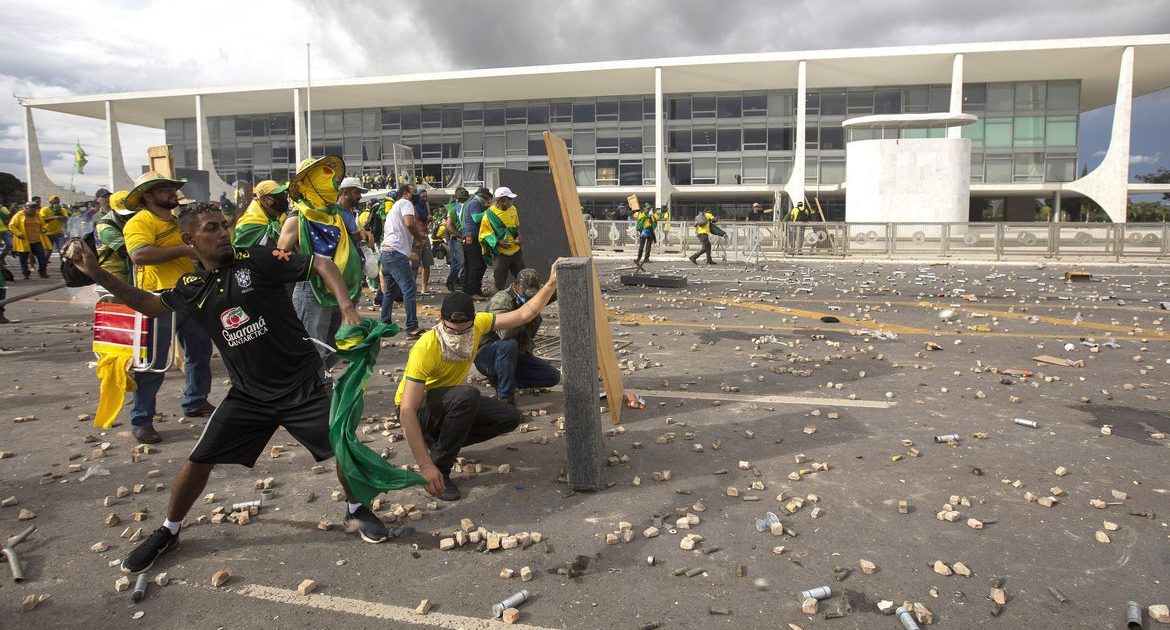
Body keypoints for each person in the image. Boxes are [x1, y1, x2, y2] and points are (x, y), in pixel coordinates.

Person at [67, 203, 396, 574]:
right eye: (212, 228)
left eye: (224, 225)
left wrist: (348, 308)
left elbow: (321, 263)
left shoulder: (257, 259)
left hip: (302, 384)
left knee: (343, 446)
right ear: (190, 239)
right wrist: (95, 271)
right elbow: (148, 304)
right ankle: (169, 530)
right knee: (198, 460)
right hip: (249, 395)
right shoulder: (192, 287)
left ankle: (355, 509)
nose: (223, 232)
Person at [396, 268, 559, 501]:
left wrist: (551, 283)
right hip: (419, 408)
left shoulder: (480, 324)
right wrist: (425, 467)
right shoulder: (426, 347)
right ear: (441, 321)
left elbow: (524, 315)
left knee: (509, 416)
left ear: (474, 322)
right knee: (467, 396)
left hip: (449, 403)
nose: (460, 336)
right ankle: (439, 470)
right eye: (453, 330)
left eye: (466, 330)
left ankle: (439, 443)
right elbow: (406, 410)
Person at [123, 172, 215, 443]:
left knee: (200, 349)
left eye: (173, 188)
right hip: (156, 299)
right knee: (153, 361)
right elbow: (139, 254)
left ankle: (196, 400)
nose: (173, 193)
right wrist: (183, 252)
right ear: (149, 196)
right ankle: (142, 418)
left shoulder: (175, 221)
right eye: (166, 189)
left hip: (188, 293)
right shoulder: (140, 222)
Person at [278, 157, 365, 368]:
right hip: (312, 290)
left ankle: (320, 382)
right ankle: (312, 391)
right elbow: (279, 257)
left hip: (337, 289)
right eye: (326, 178)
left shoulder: (333, 215)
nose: (333, 183)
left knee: (336, 345)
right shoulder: (298, 217)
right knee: (312, 348)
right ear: (312, 183)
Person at [475, 269, 561, 406]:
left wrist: (557, 277)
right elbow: (504, 333)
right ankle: (505, 399)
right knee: (508, 345)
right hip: (489, 354)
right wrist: (526, 315)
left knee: (552, 377)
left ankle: (504, 377)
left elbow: (553, 291)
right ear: (517, 286)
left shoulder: (533, 296)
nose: (531, 299)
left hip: (515, 355)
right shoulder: (502, 300)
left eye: (534, 295)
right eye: (527, 294)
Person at [379, 183, 427, 337]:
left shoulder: (394, 207)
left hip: (386, 253)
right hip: (395, 253)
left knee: (390, 291)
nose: (417, 195)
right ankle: (412, 327)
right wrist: (419, 239)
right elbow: (408, 223)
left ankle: (384, 324)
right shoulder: (406, 203)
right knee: (409, 289)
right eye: (414, 192)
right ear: (406, 193)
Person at [479, 186, 524, 291]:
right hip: (501, 255)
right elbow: (484, 235)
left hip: (516, 251)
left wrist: (519, 237)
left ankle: (524, 302)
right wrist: (498, 243)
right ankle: (498, 303)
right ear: (502, 200)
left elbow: (516, 227)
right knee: (499, 283)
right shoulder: (489, 215)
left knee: (523, 279)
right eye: (510, 199)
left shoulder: (513, 209)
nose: (512, 201)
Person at [93, 190, 136, 282]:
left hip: (129, 270)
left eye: (132, 213)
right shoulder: (105, 228)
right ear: (113, 209)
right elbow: (129, 250)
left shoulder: (125, 220)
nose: (130, 216)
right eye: (125, 214)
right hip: (114, 274)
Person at [232, 180, 289, 248]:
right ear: (263, 199)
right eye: (277, 196)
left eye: (283, 194)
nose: (282, 199)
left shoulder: (280, 215)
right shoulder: (248, 223)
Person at [459, 187, 491, 299]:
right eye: (487, 199)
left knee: (473, 265)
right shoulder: (475, 203)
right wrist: (489, 211)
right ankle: (472, 292)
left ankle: (470, 290)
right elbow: (476, 218)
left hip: (469, 236)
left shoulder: (472, 202)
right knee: (475, 265)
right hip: (472, 236)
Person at [10, 201, 52, 279]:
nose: (33, 211)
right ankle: (26, 274)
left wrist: (44, 229)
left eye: (34, 209)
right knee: (24, 259)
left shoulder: (37, 215)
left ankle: (42, 272)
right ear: (26, 208)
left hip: (36, 240)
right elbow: (11, 226)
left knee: (42, 257)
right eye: (31, 209)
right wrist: (18, 233)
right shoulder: (19, 215)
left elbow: (42, 224)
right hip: (24, 241)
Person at [442, 187, 468, 292]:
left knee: (461, 262)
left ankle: (459, 281)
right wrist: (459, 235)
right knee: (460, 261)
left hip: (459, 237)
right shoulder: (453, 208)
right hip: (455, 238)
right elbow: (448, 224)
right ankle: (451, 281)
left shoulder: (461, 207)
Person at [411, 187, 433, 294]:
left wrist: (427, 207)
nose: (424, 199)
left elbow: (428, 219)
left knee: (427, 264)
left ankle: (424, 288)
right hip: (417, 238)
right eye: (423, 196)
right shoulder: (414, 208)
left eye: (426, 197)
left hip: (425, 236)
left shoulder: (425, 207)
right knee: (415, 265)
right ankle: (413, 288)